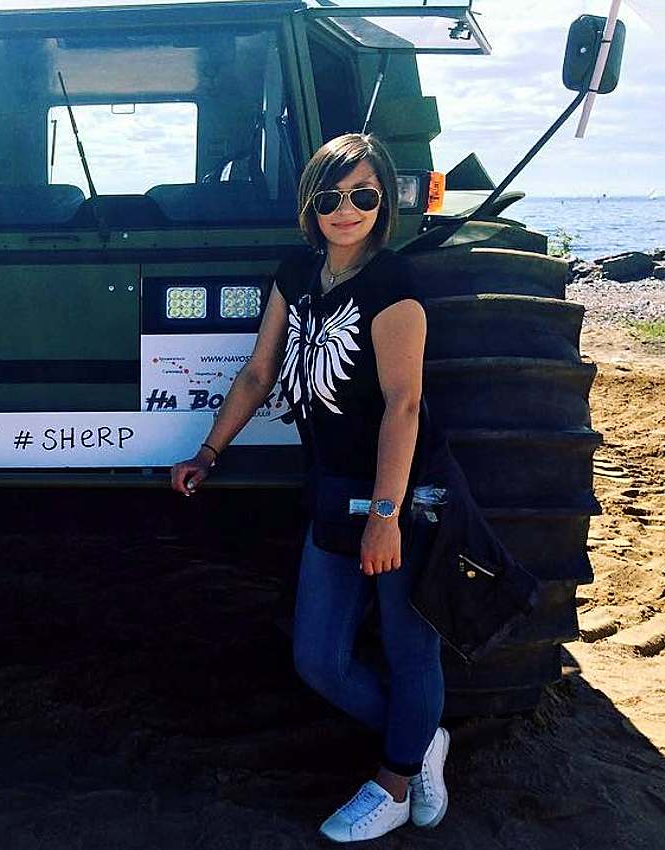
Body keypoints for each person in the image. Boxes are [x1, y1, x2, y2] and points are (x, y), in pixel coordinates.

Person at [170, 133, 448, 843]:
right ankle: (421, 742)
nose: (345, 210)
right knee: (319, 658)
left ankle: (393, 782)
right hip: (331, 488)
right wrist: (209, 450)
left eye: (364, 195)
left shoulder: (394, 285)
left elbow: (404, 406)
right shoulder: (296, 273)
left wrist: (386, 513)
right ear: (310, 205)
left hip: (402, 492)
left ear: (383, 203)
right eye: (330, 197)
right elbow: (259, 372)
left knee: (409, 644)